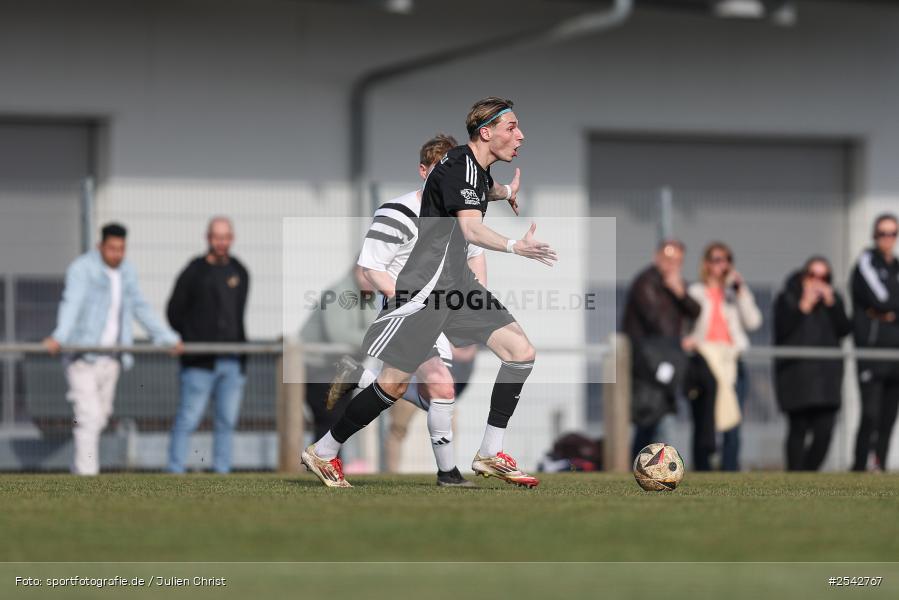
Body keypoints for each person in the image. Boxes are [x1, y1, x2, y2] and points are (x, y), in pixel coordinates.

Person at [302, 96, 556, 488]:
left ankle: (489, 451)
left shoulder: (473, 168)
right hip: (425, 293)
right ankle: (324, 451)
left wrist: (505, 192)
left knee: (521, 352)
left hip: (457, 289)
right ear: (485, 133)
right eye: (512, 127)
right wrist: (514, 246)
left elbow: (480, 190)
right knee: (393, 385)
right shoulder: (457, 168)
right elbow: (471, 229)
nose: (520, 135)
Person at [338, 133, 496, 484]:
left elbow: (476, 259)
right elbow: (371, 270)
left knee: (426, 391)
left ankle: (349, 401)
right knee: (436, 388)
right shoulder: (399, 211)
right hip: (407, 315)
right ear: (424, 171)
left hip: (438, 315)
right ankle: (448, 474)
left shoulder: (460, 215)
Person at [43, 223, 182, 475]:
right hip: (82, 356)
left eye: (121, 249)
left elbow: (140, 307)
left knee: (101, 416)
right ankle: (87, 477)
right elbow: (71, 303)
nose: (117, 254)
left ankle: (79, 468)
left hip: (112, 358)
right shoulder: (83, 269)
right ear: (100, 246)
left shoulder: (127, 271)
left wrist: (166, 339)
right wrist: (59, 336)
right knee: (88, 416)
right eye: (112, 248)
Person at [165, 216, 250, 474]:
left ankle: (222, 471)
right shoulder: (194, 271)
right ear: (208, 238)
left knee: (226, 421)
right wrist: (190, 337)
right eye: (216, 237)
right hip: (199, 362)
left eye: (225, 237)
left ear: (231, 239)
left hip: (232, 361)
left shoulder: (240, 271)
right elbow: (174, 311)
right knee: (188, 418)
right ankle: (175, 470)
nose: (221, 243)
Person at [622, 240, 715, 469]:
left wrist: (680, 292)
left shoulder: (675, 284)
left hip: (671, 357)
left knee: (707, 382)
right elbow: (658, 323)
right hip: (649, 361)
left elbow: (696, 310)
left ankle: (705, 455)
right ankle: (637, 466)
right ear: (657, 257)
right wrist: (680, 342)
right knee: (650, 415)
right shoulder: (645, 283)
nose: (671, 264)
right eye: (667, 258)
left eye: (676, 260)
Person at [685, 242, 762, 471]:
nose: (723, 264)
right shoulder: (695, 292)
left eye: (727, 259)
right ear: (707, 264)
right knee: (703, 420)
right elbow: (687, 324)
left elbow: (754, 322)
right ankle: (702, 469)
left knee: (732, 421)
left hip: (731, 361)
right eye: (717, 259)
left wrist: (741, 292)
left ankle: (730, 470)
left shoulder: (735, 292)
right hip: (704, 361)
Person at [774, 256, 851, 471]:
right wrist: (803, 306)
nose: (818, 281)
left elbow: (845, 329)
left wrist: (832, 305)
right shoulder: (788, 297)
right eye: (813, 275)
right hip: (796, 376)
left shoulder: (833, 300)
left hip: (826, 378)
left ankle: (808, 473)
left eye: (824, 277)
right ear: (803, 276)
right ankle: (795, 475)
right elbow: (781, 330)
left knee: (825, 432)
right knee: (797, 429)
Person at [300, 265, 379, 442]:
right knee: (329, 420)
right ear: (356, 271)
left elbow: (371, 331)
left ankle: (326, 464)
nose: (372, 279)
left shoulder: (366, 297)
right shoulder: (338, 293)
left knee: (336, 422)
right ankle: (321, 465)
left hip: (340, 369)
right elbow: (339, 335)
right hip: (317, 367)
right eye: (368, 273)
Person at [851, 213, 899, 472]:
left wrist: (890, 311)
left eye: (892, 233)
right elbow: (881, 299)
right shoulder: (865, 262)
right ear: (874, 235)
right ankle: (859, 466)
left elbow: (888, 305)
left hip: (895, 354)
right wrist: (886, 310)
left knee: (889, 417)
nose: (887, 239)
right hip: (872, 350)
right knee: (870, 413)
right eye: (883, 233)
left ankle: (878, 464)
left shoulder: (897, 267)